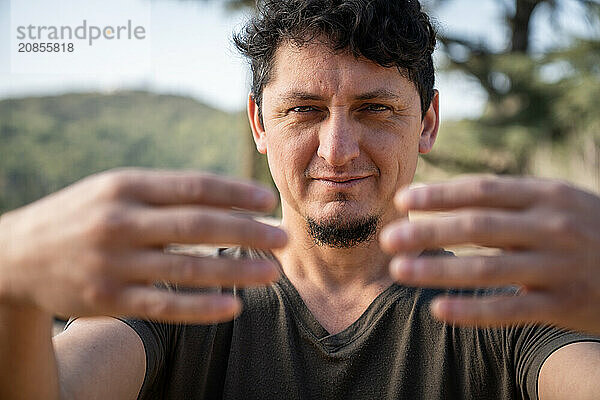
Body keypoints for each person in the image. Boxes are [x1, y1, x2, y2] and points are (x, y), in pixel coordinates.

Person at [1, 0, 599, 399]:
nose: (337, 150)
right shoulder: (172, 296)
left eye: (376, 109)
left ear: (428, 121)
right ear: (260, 124)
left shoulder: (505, 316)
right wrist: (13, 278)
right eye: (304, 111)